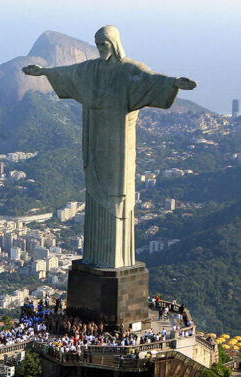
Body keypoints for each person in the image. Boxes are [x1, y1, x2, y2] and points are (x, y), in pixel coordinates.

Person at [23, 25, 196, 268]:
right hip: (95, 137)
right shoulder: (91, 69)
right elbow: (69, 73)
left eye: (103, 44)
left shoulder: (129, 70)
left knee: (117, 191)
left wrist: (174, 82)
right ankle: (96, 257)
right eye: (97, 44)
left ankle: (116, 259)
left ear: (114, 43)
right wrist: (44, 72)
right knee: (94, 187)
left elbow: (151, 80)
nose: (100, 48)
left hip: (118, 140)